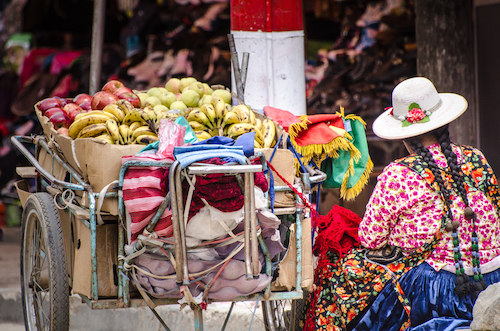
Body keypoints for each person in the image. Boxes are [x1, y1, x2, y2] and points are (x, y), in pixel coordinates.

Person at [305, 76, 500, 331]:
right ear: (445, 125)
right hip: (493, 276)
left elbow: (370, 238)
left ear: (404, 137)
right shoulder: (476, 156)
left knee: (346, 272)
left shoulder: (399, 173)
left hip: (437, 287)